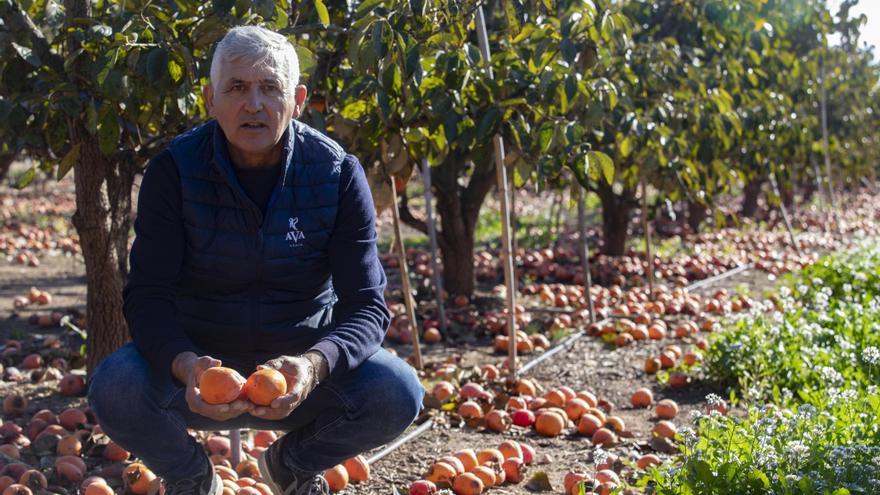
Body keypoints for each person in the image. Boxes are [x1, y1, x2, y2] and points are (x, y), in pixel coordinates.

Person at [87, 25, 424, 495]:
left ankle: (292, 464)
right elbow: (148, 295)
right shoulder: (176, 170)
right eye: (237, 87)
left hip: (299, 368)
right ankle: (190, 476)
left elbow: (367, 305)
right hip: (199, 373)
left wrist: (312, 365)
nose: (254, 104)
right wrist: (186, 366)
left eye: (270, 88)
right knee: (114, 387)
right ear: (210, 98)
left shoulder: (336, 173)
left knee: (397, 392)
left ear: (298, 98)